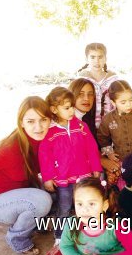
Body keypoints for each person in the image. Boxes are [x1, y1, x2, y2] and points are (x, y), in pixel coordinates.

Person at [0, 96, 53, 255]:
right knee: (42, 200)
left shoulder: (44, 140)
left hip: (20, 194)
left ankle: (37, 224)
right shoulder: (11, 149)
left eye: (43, 120)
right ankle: (17, 238)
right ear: (21, 122)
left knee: (57, 189)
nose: (38, 127)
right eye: (31, 121)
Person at [39, 87, 102, 244]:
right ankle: (60, 237)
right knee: (65, 207)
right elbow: (44, 156)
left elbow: (92, 149)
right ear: (54, 109)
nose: (71, 111)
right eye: (67, 108)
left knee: (88, 205)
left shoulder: (81, 126)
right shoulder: (50, 131)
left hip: (84, 176)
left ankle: (92, 232)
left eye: (72, 107)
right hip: (63, 178)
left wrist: (96, 168)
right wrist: (47, 177)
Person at [59, 177, 132, 255]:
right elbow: (65, 246)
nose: (84, 209)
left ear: (105, 205)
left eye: (91, 204)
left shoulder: (117, 226)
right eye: (79, 204)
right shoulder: (72, 224)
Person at [77, 43, 118, 127]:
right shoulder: (80, 80)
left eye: (100, 57)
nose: (97, 61)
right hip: (86, 124)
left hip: (110, 125)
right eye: (92, 57)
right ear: (86, 59)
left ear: (105, 58)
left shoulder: (114, 80)